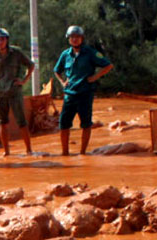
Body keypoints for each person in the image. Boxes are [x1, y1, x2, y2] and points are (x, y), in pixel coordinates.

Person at [54, 25, 114, 156]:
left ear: (82, 38)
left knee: (86, 124)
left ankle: (83, 152)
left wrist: (95, 77)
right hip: (69, 95)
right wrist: (63, 82)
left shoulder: (90, 53)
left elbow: (108, 65)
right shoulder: (65, 55)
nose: (75, 39)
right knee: (64, 125)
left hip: (85, 94)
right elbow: (56, 71)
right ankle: (65, 153)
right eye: (72, 37)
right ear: (68, 39)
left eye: (77, 37)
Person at [0, 28, 34, 156]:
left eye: (2, 39)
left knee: (22, 121)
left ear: (7, 40)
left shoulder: (16, 52)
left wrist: (24, 80)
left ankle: (29, 150)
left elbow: (31, 65)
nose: (0, 42)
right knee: (2, 122)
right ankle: (7, 152)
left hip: (15, 91)